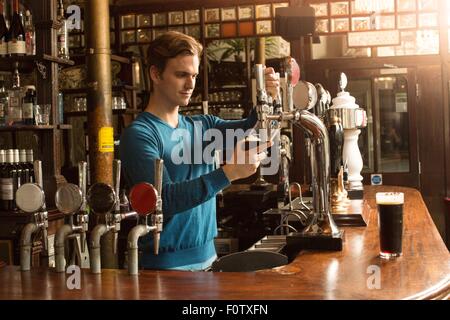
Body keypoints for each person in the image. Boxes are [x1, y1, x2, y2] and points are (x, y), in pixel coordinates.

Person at [120, 31, 279, 270]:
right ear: (155, 74)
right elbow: (163, 200)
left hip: (209, 258)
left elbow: (253, 129)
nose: (191, 84)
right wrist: (227, 174)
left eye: (193, 75)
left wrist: (268, 98)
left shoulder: (203, 126)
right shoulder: (140, 134)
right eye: (181, 75)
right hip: (165, 268)